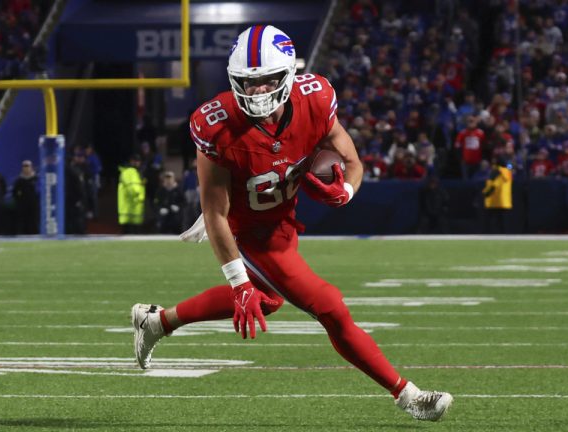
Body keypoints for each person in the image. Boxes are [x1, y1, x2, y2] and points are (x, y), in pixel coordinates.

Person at [131, 25, 451, 422]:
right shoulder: (216, 123)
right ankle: (408, 395)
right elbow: (215, 212)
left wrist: (345, 192)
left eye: (267, 82)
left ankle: (156, 321)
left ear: (286, 76)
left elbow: (352, 162)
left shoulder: (315, 99)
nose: (258, 93)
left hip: (281, 221)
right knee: (329, 306)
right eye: (248, 84)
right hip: (247, 230)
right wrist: (238, 281)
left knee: (267, 300)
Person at [481, 156, 513, 234]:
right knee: (505, 223)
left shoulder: (496, 171)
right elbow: (510, 165)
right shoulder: (508, 172)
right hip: (506, 202)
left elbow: (493, 185)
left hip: (495, 201)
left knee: (494, 223)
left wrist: (484, 193)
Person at [117, 153, 145, 234]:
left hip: (130, 207)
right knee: (131, 232)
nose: (137, 163)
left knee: (129, 232)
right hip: (132, 206)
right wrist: (140, 197)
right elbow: (134, 188)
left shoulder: (130, 171)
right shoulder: (130, 171)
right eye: (136, 161)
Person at [12, 160, 39, 234]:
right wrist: (18, 201)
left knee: (34, 221)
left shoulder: (36, 178)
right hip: (22, 205)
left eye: (28, 166)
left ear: (31, 167)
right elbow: (14, 192)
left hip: (34, 205)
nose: (26, 168)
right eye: (24, 166)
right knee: (22, 222)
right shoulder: (19, 180)